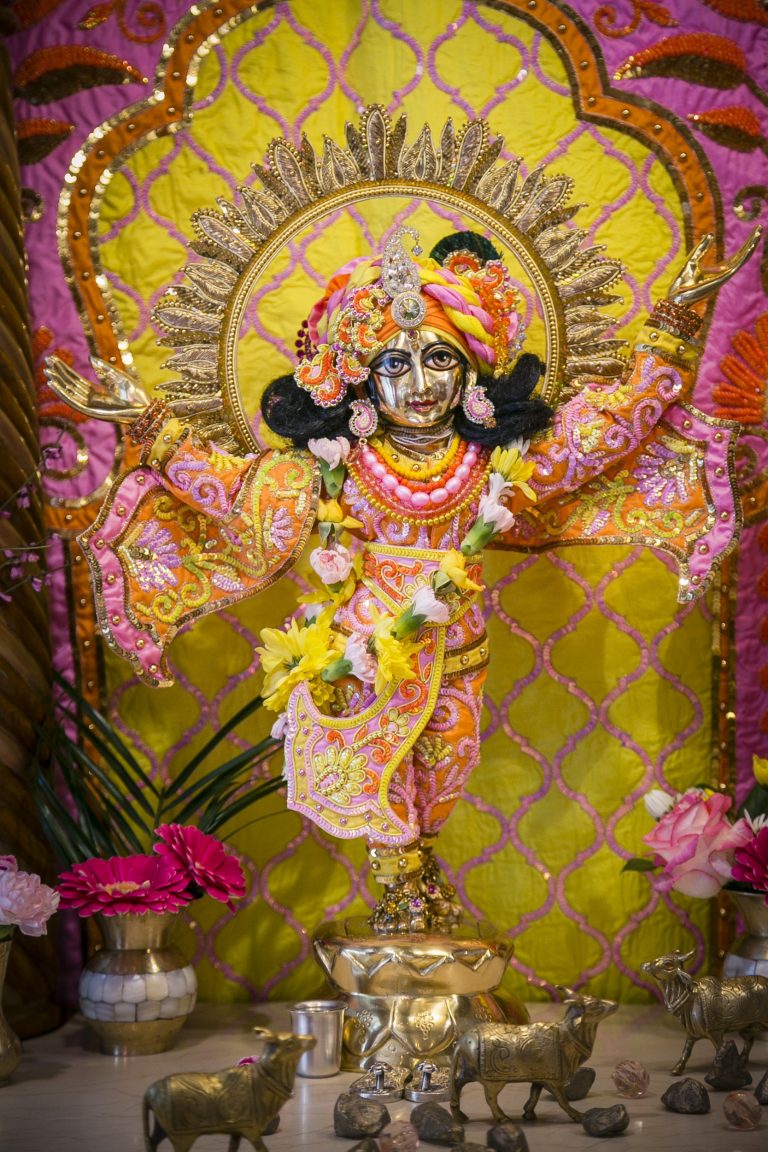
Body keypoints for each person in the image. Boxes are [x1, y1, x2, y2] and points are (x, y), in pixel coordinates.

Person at [45, 224, 759, 932]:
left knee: (442, 785)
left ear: (472, 372)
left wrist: (676, 322)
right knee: (383, 797)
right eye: (394, 364)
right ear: (361, 380)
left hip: (458, 661)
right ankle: (405, 899)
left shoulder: (497, 466)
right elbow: (231, 491)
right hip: (364, 666)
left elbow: (607, 432)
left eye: (440, 358)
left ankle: (418, 895)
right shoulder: (337, 467)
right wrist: (147, 421)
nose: (420, 385)